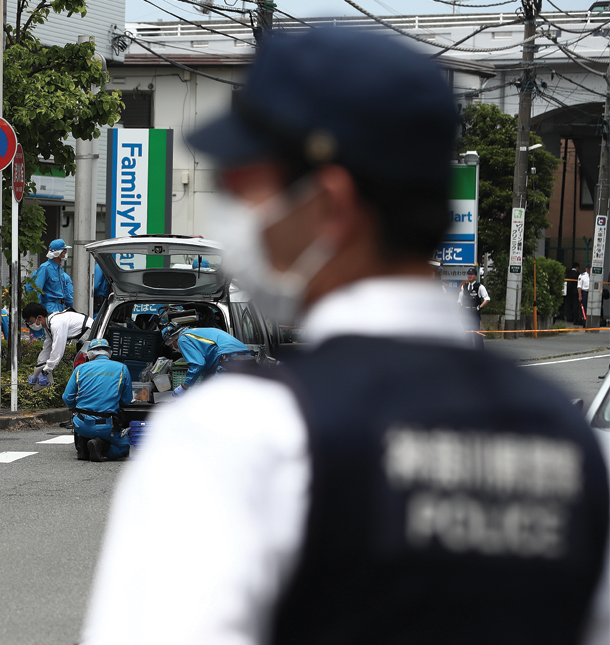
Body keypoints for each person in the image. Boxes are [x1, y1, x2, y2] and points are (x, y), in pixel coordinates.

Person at [84, 28, 609, 645]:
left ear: (328, 205)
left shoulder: (240, 434)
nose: (232, 208)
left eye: (244, 185)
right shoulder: (570, 443)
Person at [62, 338, 133, 463]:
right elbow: (127, 399)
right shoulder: (122, 368)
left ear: (89, 354)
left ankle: (84, 447)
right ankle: (102, 446)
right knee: (124, 446)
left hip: (80, 423)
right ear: (109, 353)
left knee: (83, 425)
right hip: (105, 425)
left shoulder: (80, 369)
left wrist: (75, 408)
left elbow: (67, 397)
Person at [160, 323, 251, 396]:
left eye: (171, 345)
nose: (173, 348)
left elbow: (198, 364)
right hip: (247, 358)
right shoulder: (195, 333)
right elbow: (210, 369)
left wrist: (184, 386)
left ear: (172, 339)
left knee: (212, 397)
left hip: (228, 360)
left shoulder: (182, 339)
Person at [22, 301, 92, 388]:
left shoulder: (57, 324)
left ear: (39, 317)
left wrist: (45, 371)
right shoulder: (48, 325)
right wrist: (38, 368)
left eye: (30, 322)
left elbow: (58, 350)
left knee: (86, 375)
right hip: (85, 341)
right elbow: (47, 348)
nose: (30, 325)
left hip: (93, 337)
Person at [29, 239, 74, 313]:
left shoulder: (59, 269)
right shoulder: (45, 268)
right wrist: (37, 311)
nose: (66, 253)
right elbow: (37, 290)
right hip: (50, 308)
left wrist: (73, 306)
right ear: (58, 253)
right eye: (64, 250)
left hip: (62, 308)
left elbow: (65, 290)